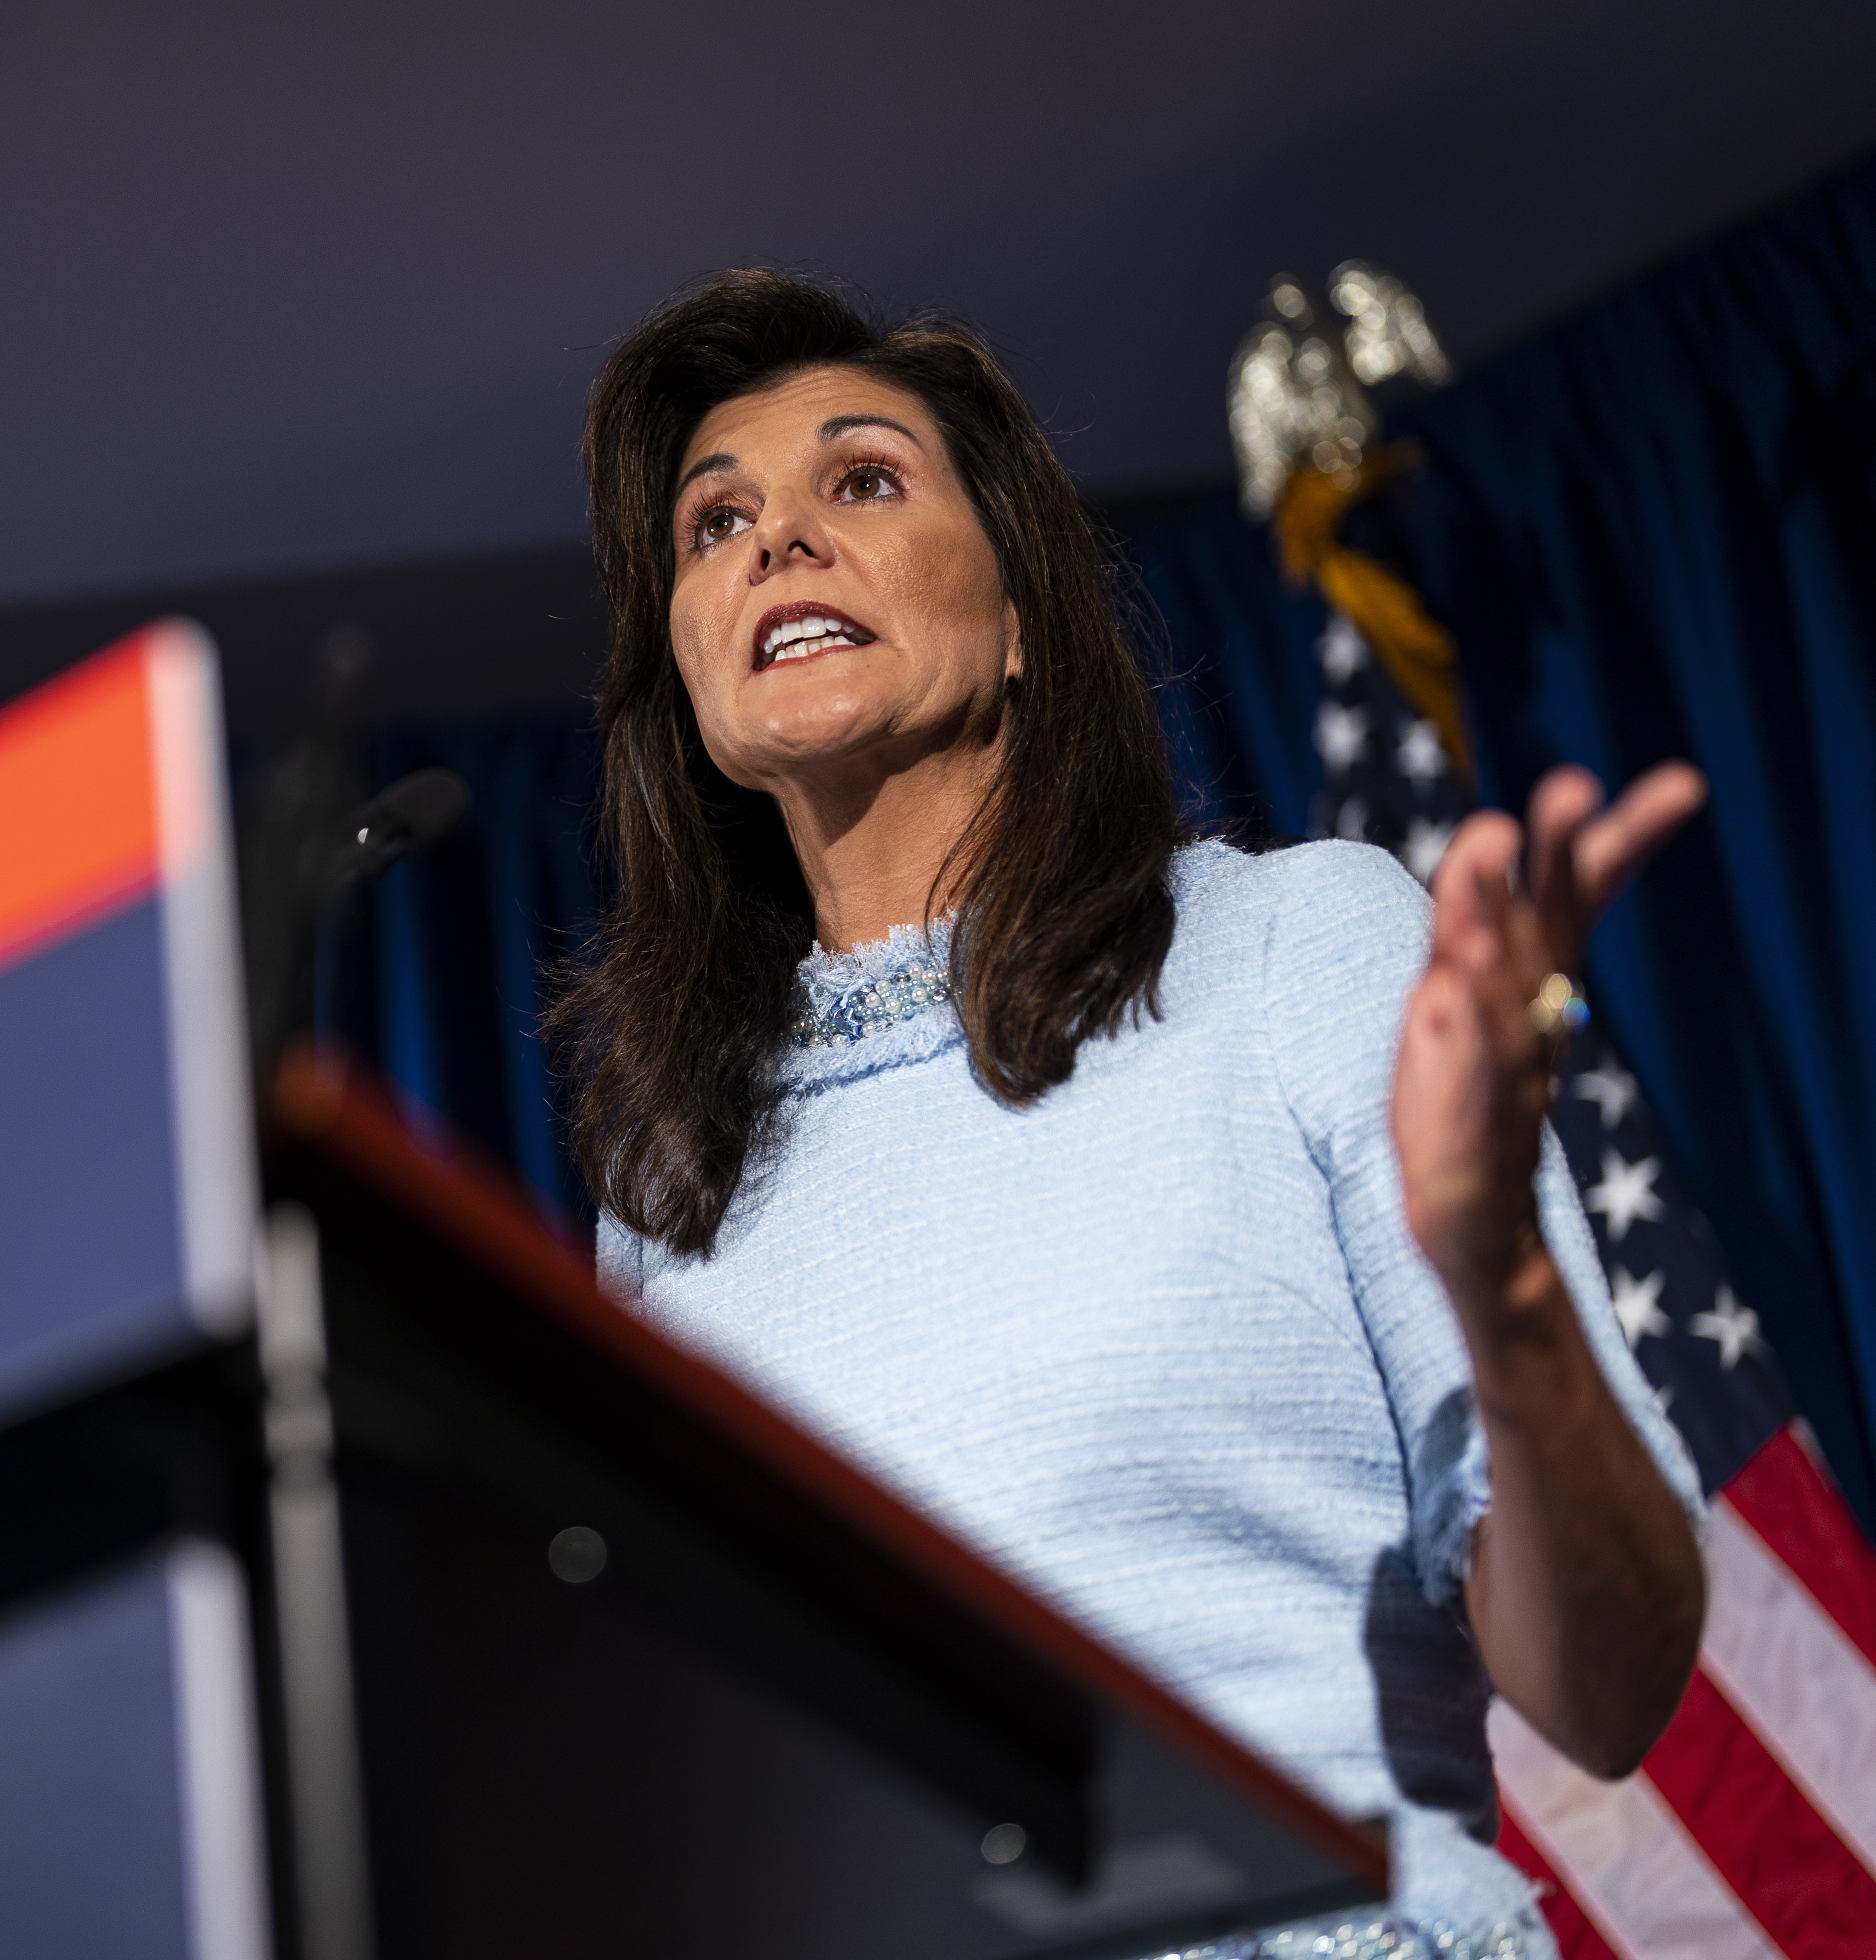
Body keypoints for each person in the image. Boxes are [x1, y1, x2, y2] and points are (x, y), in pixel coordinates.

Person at [558, 270, 1707, 1954]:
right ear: (689, 677)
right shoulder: (667, 1180)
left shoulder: (1291, 944)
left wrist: (1500, 1283)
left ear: (1021, 611)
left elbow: (1606, 1696)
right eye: (711, 521)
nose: (775, 540)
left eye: (860, 480)